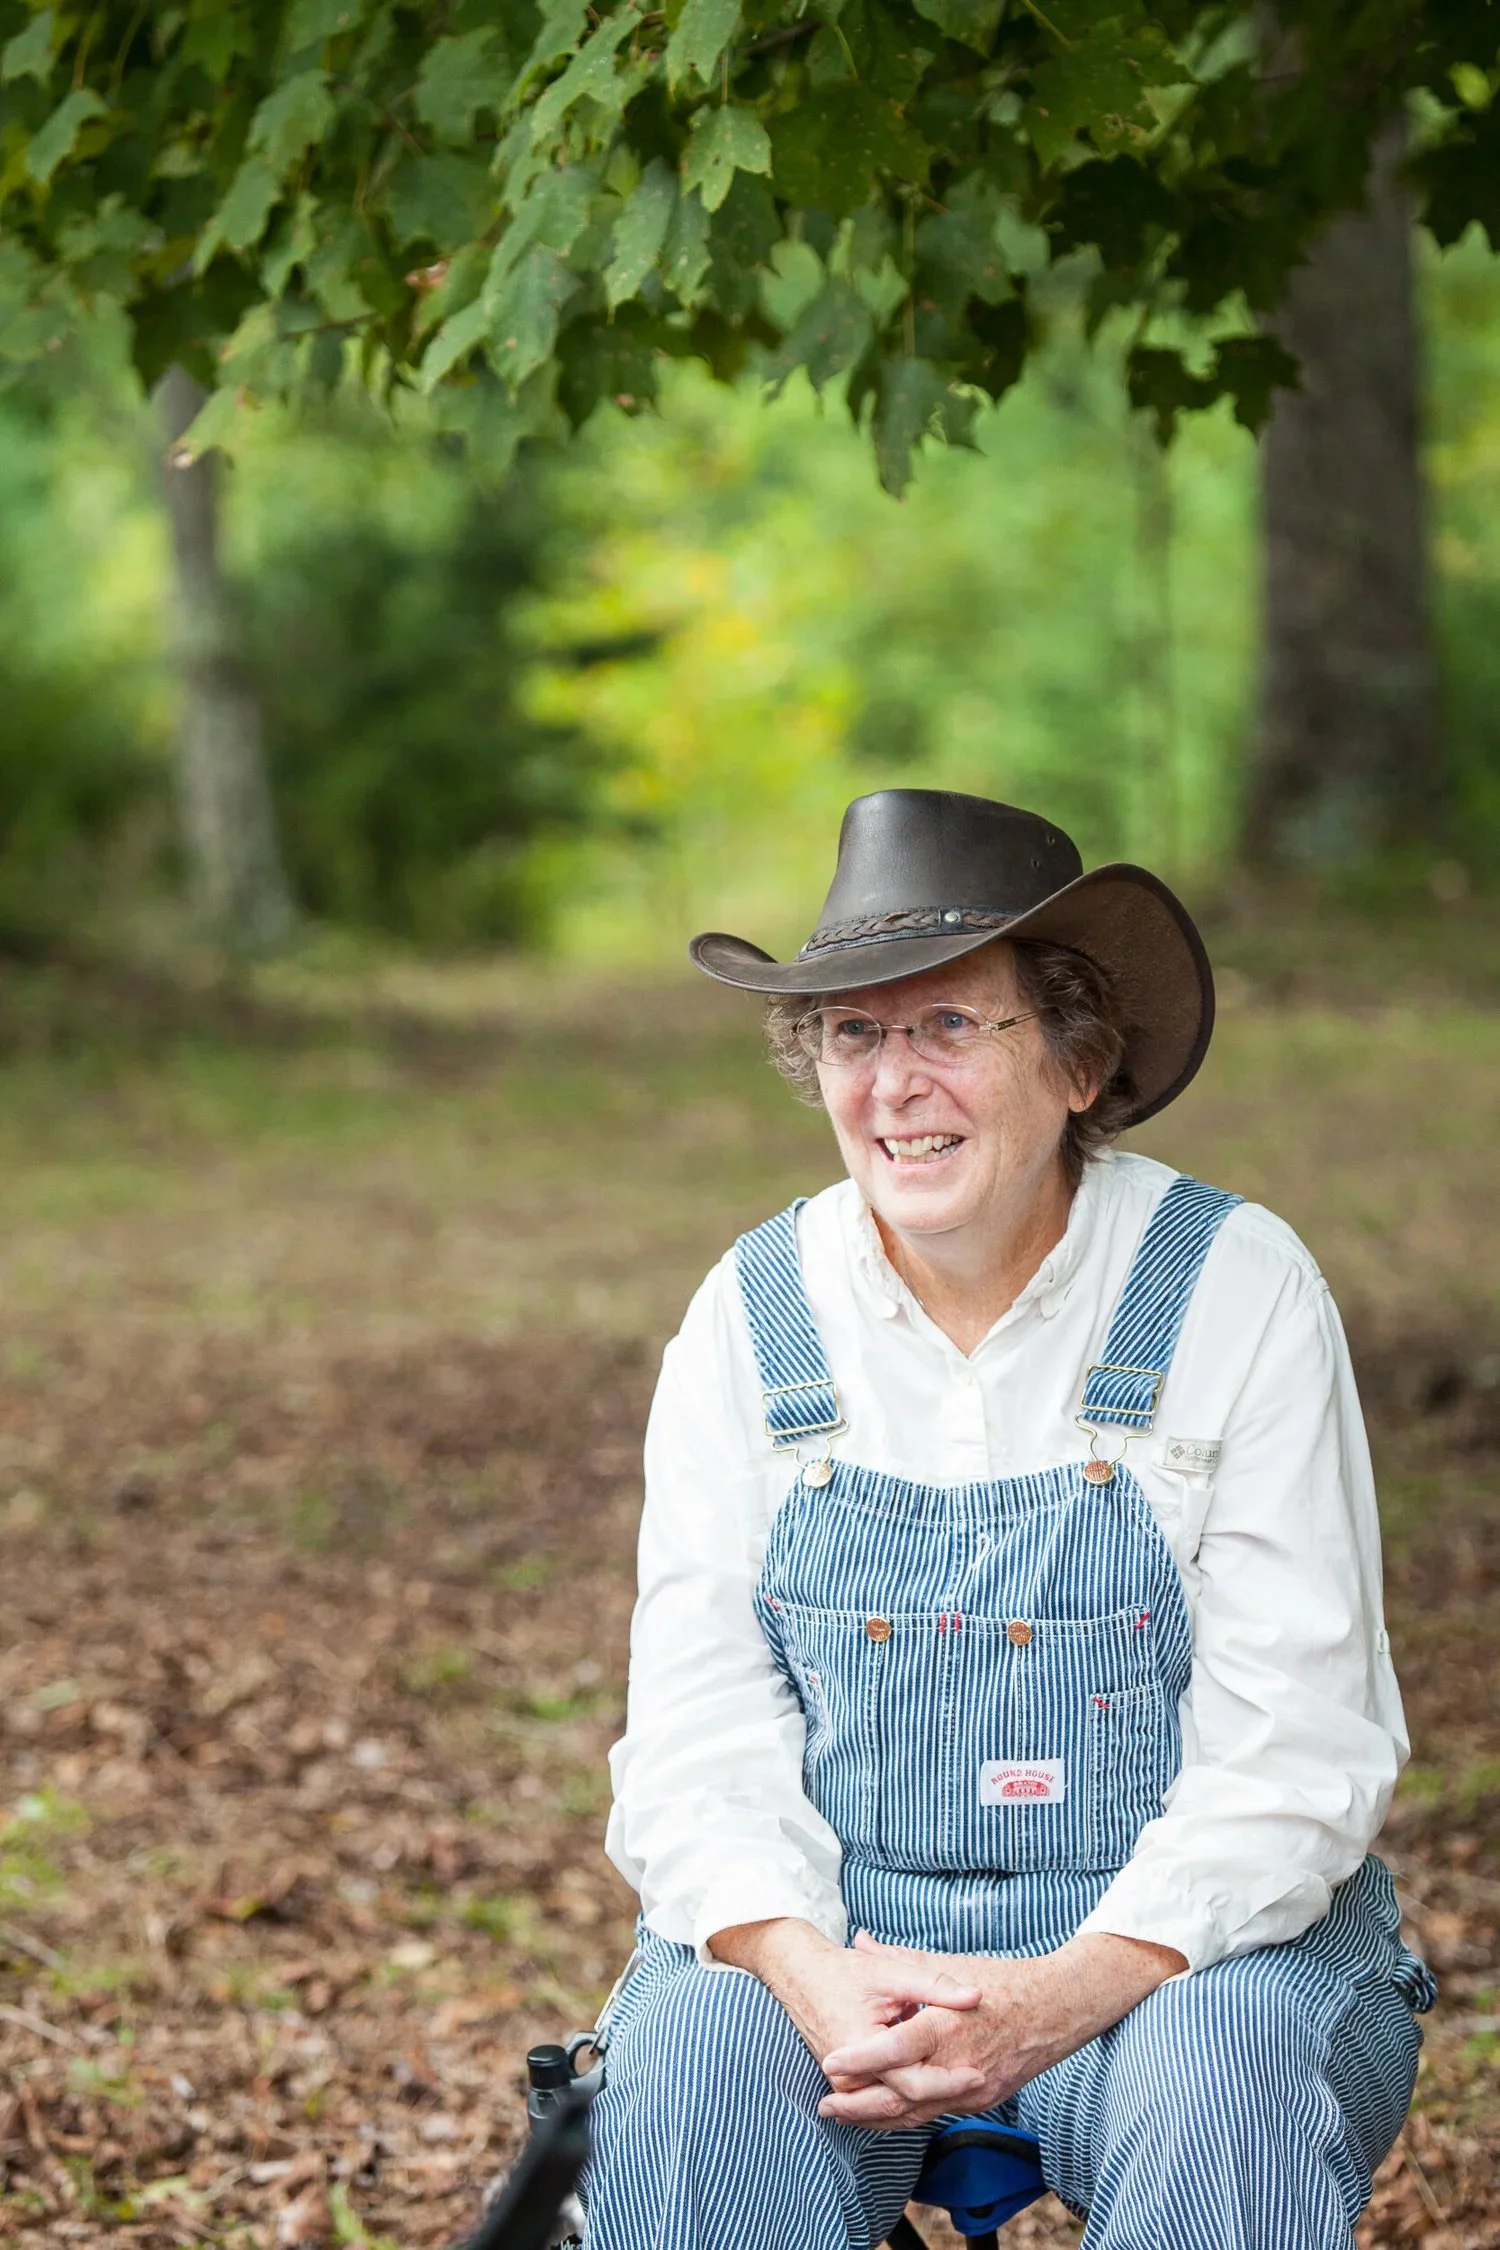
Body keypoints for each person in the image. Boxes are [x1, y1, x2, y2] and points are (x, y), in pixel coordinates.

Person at [587, 791, 1434, 2250]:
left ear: (1078, 1061)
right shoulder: (752, 1312)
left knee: (1226, 2078)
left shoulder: (1236, 1287)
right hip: (845, 1954)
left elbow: (1300, 1741)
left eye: (948, 1026)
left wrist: (1059, 1994)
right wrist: (806, 1970)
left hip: (1186, 1953)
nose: (894, 1084)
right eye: (854, 1034)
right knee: (692, 2072)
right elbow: (696, 1735)